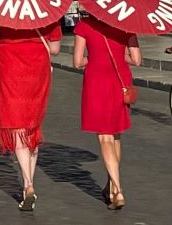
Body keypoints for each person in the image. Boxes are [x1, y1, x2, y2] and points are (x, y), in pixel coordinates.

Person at [0, 21, 62, 211]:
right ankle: (29, 182)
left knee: (16, 124)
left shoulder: (0, 12)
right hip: (38, 71)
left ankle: (27, 184)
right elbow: (55, 49)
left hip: (10, 69)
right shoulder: (47, 12)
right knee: (31, 126)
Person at [72, 15, 141, 211]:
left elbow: (77, 62)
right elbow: (136, 59)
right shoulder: (127, 24)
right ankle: (111, 185)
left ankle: (118, 190)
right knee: (116, 134)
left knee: (105, 137)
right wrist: (120, 56)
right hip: (121, 82)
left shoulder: (84, 25)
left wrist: (93, 57)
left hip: (97, 81)